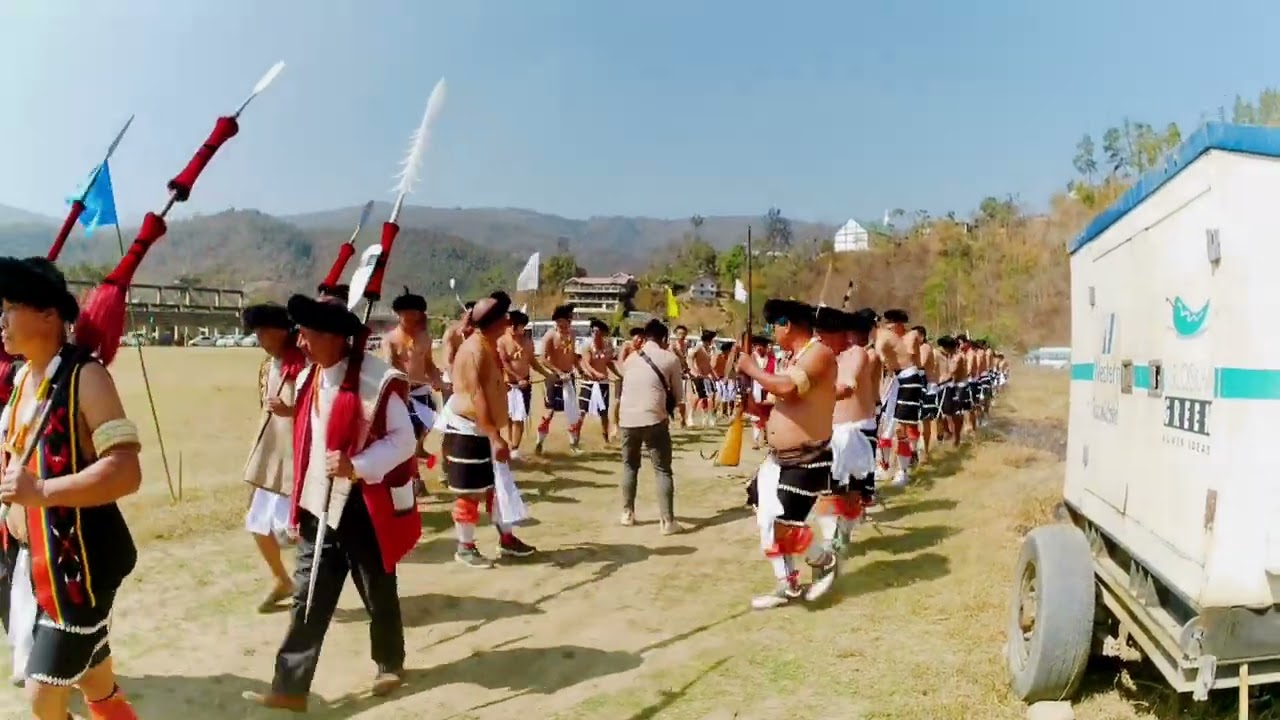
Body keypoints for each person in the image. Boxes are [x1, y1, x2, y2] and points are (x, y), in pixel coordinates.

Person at [246, 294, 420, 712]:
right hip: (317, 505)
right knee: (308, 597)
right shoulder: (309, 378)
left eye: (306, 335)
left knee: (377, 590)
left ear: (333, 338)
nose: (300, 343)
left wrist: (357, 464)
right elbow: (309, 437)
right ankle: (290, 687)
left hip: (363, 506)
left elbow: (404, 441)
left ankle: (389, 663)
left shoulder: (379, 382)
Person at [0, 256, 143, 718]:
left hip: (81, 566)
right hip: (34, 562)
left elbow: (125, 470)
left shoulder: (88, 377)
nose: (0, 321)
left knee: (44, 693)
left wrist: (40, 491)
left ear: (47, 314)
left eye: (8, 308)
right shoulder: (24, 379)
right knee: (94, 677)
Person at [739, 299, 837, 609]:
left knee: (785, 523)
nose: (772, 333)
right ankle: (788, 584)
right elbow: (780, 399)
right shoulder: (795, 357)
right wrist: (752, 403)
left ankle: (824, 559)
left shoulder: (819, 353)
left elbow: (789, 389)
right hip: (779, 457)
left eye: (773, 326)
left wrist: (752, 369)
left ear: (787, 325)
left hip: (808, 456)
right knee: (762, 508)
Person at [439, 295, 537, 568]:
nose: (509, 320)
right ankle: (465, 547)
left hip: (485, 429)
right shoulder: (474, 350)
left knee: (497, 488)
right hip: (469, 430)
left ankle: (507, 539)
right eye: (505, 316)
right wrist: (494, 436)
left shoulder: (488, 344)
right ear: (497, 321)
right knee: (468, 492)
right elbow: (477, 395)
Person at [241, 302, 307, 613]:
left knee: (295, 532)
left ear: (282, 331)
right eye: (257, 332)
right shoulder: (268, 367)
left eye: (265, 331)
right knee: (257, 525)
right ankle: (282, 580)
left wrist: (291, 411)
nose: (260, 338)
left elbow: (320, 411)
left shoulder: (307, 364)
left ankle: (313, 586)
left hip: (300, 459)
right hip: (272, 457)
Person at [617, 319, 684, 534]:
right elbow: (679, 396)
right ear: (664, 338)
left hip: (627, 419)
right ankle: (667, 521)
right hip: (654, 418)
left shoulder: (630, 359)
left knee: (629, 466)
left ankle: (627, 513)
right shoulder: (670, 359)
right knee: (662, 469)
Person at [382, 287, 445, 495]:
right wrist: (416, 381)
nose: (410, 316)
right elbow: (391, 372)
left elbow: (429, 364)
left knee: (422, 433)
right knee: (407, 439)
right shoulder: (389, 340)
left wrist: (439, 380)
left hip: (423, 394)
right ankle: (416, 479)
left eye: (414, 312)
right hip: (401, 396)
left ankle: (417, 455)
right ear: (398, 314)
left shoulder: (424, 338)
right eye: (406, 312)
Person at [874, 309, 925, 487]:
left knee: (901, 428)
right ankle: (884, 466)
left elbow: (880, 355)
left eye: (891, 322)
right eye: (886, 322)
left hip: (909, 379)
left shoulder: (909, 336)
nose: (888, 325)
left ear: (899, 324)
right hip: (896, 380)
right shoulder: (888, 337)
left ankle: (903, 472)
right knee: (885, 426)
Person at [496, 310, 552, 460]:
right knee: (508, 417)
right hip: (507, 385)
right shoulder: (501, 341)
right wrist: (517, 377)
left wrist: (547, 374)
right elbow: (504, 363)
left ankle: (515, 449)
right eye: (521, 326)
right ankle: (509, 446)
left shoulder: (527, 342)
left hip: (524, 385)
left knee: (519, 417)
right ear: (513, 325)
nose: (523, 329)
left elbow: (532, 362)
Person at [535, 304, 582, 455]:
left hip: (569, 377)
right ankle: (539, 442)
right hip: (554, 378)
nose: (564, 325)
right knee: (549, 412)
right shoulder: (550, 335)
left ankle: (573, 444)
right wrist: (558, 373)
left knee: (573, 412)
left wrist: (579, 369)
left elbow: (573, 355)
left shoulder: (572, 335)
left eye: (567, 321)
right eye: (560, 322)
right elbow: (543, 359)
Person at [577, 318, 621, 443]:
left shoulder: (608, 345)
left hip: (603, 383)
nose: (595, 334)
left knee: (603, 412)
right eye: (593, 331)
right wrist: (596, 374)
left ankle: (605, 437)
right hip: (589, 382)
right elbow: (587, 364)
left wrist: (618, 375)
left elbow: (609, 363)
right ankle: (575, 437)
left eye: (598, 332)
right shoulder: (587, 345)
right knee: (582, 411)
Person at [440, 301, 476, 404]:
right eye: (469, 314)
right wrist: (457, 383)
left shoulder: (479, 333)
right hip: (452, 381)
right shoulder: (452, 334)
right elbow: (449, 361)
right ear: (463, 314)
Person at [744, 335, 776, 450]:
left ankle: (766, 437)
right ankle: (756, 440)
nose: (760, 348)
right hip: (754, 389)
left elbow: (774, 374)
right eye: (758, 345)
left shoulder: (772, 360)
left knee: (766, 415)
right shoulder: (750, 359)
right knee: (755, 416)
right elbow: (744, 375)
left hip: (768, 389)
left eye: (762, 346)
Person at [914, 325, 939, 463]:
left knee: (926, 419)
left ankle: (926, 450)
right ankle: (917, 449)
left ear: (922, 336)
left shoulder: (925, 348)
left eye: (915, 336)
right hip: (920, 385)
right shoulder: (916, 348)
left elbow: (921, 364)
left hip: (928, 386)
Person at [935, 336, 965, 447]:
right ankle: (943, 437)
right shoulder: (936, 354)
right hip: (940, 388)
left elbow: (952, 373)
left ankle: (955, 438)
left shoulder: (955, 356)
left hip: (948, 387)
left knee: (952, 414)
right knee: (940, 415)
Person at [688, 330, 718, 427]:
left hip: (706, 375)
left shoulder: (710, 349)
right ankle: (690, 416)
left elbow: (708, 364)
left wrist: (713, 374)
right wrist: (692, 370)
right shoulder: (698, 347)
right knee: (698, 396)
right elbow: (690, 357)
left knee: (709, 396)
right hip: (697, 375)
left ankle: (707, 416)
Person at [670, 325, 693, 428]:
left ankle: (682, 419)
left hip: (681, 374)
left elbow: (684, 360)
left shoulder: (686, 346)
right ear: (675, 334)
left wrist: (687, 370)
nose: (682, 336)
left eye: (683, 334)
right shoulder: (672, 346)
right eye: (679, 334)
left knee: (682, 398)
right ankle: (672, 418)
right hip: (672, 373)